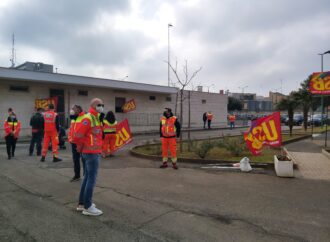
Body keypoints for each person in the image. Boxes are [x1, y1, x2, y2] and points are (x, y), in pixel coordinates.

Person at [73, 98, 104, 216]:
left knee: (87, 178)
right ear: (94, 105)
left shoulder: (95, 118)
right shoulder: (88, 118)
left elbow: (96, 136)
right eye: (99, 105)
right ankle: (88, 206)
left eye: (102, 105)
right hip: (90, 153)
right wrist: (79, 147)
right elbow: (78, 135)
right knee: (91, 178)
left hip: (92, 152)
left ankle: (82, 204)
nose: (102, 106)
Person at [68, 105, 85, 182]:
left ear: (78, 109)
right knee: (75, 160)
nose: (72, 110)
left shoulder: (84, 118)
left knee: (84, 159)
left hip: (82, 143)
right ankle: (77, 175)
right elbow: (71, 130)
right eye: (72, 109)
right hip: (73, 142)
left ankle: (86, 176)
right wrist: (70, 138)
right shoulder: (73, 118)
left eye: (73, 109)